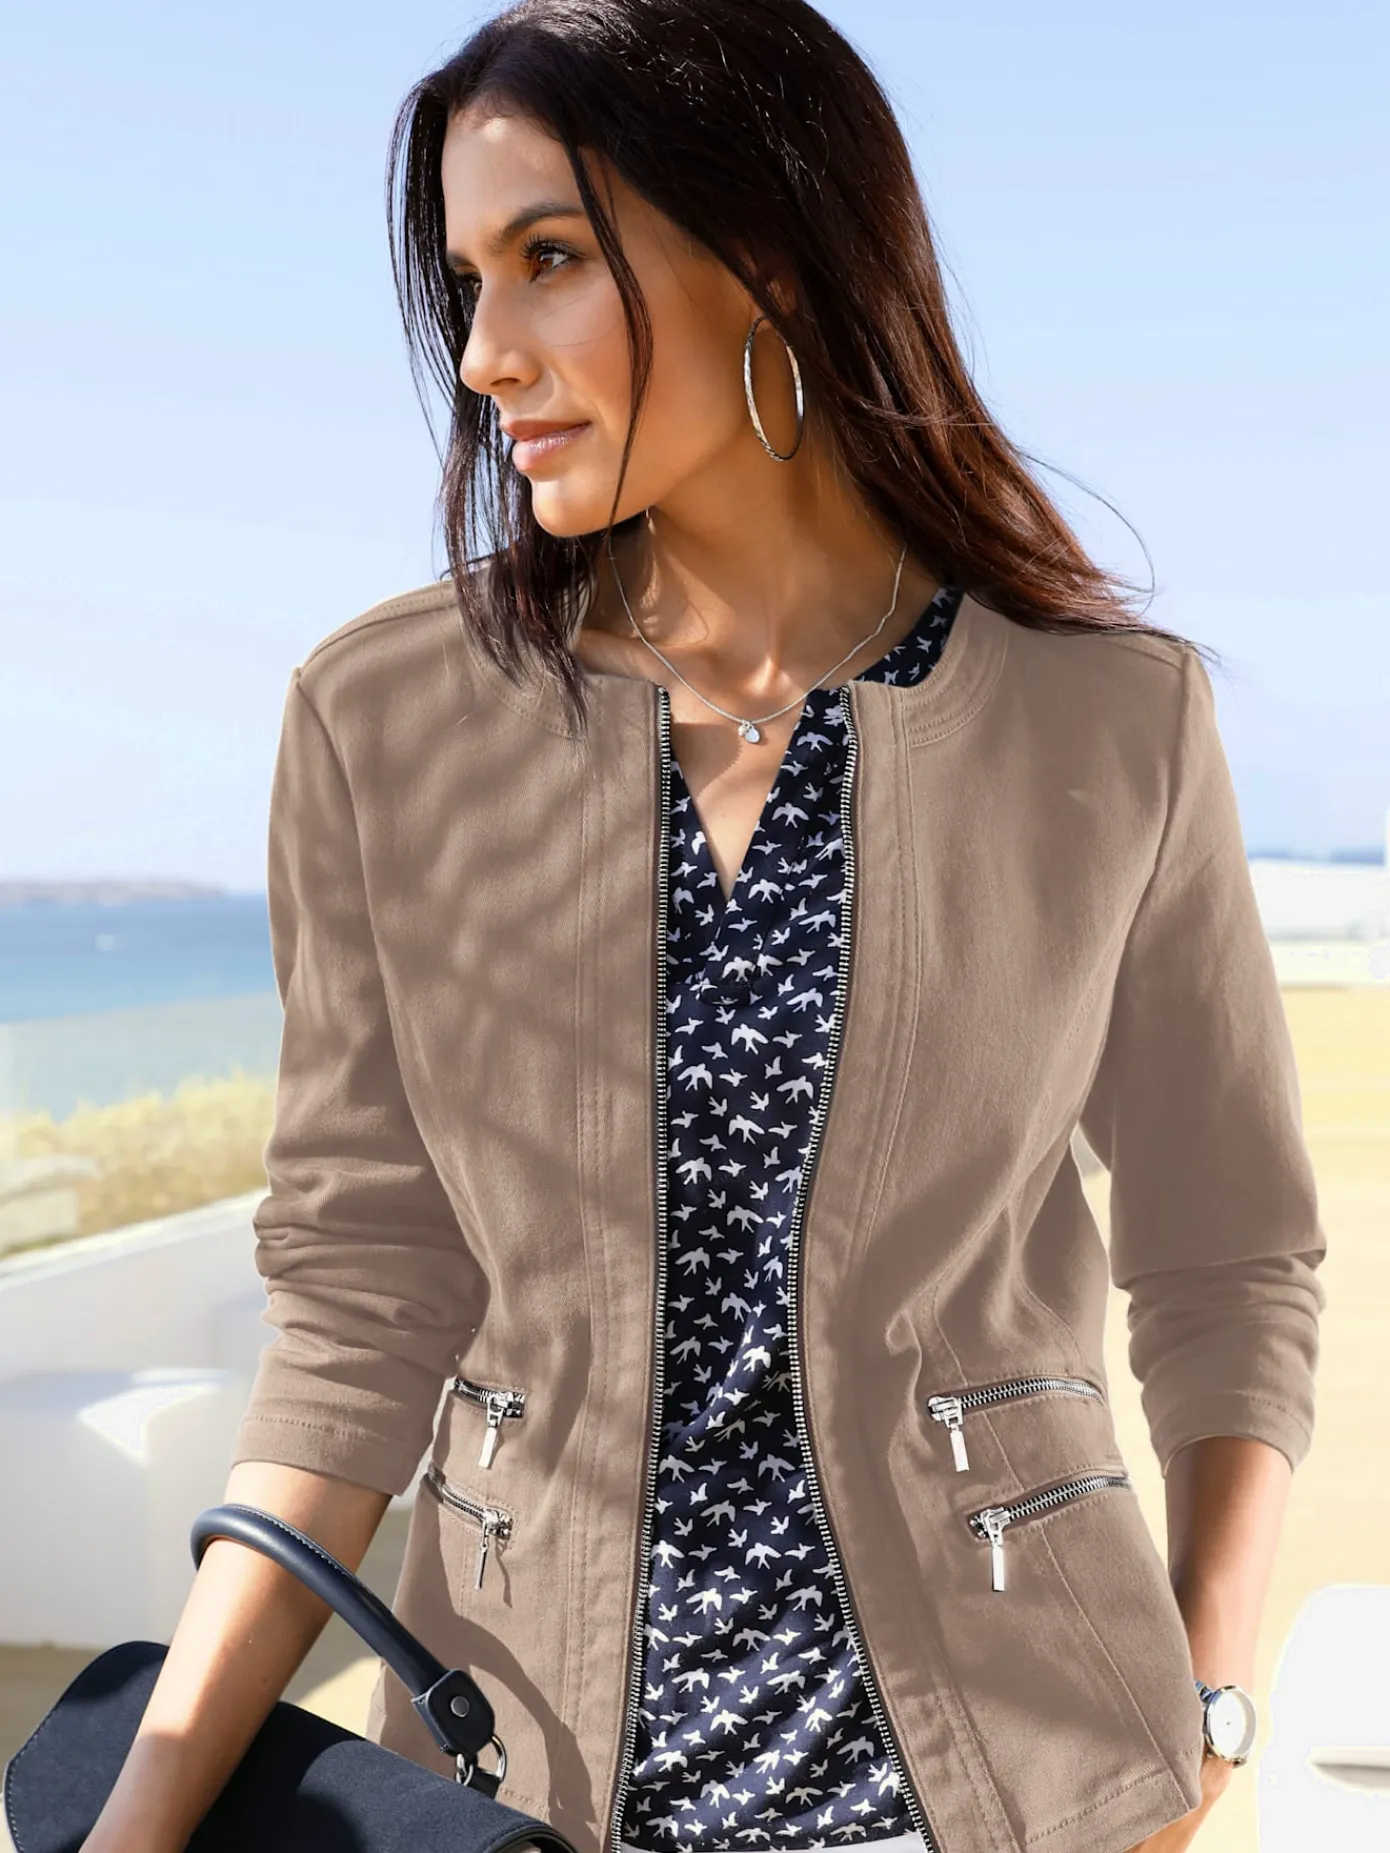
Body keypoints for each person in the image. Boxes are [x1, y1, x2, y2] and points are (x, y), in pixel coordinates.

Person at [77, 3, 1326, 1852]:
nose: (485, 354)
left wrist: (1206, 1699)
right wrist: (149, 1807)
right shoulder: (384, 720)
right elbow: (359, 1300)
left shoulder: (1108, 719)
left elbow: (1227, 1256)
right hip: (526, 1787)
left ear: (767, 254)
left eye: (550, 259)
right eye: (467, 282)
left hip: (1010, 1784)